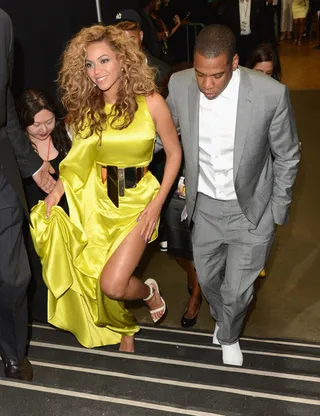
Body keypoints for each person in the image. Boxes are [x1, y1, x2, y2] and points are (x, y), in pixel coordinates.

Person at [30, 24, 182, 353]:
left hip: (138, 200)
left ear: (123, 60)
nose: (96, 72)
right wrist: (56, 193)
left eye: (104, 61)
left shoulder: (151, 101)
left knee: (114, 283)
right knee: (98, 279)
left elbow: (174, 153)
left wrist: (157, 205)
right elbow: (79, 160)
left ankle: (148, 292)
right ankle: (124, 325)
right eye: (89, 64)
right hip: (97, 202)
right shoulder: (88, 108)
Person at [161, 24, 300, 366]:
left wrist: (276, 211)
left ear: (235, 62)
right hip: (204, 207)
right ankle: (226, 316)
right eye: (200, 74)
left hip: (251, 211)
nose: (207, 85)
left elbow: (287, 155)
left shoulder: (270, 94)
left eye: (217, 75)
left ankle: (228, 334)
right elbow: (163, 134)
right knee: (208, 280)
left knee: (238, 290)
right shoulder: (179, 85)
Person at [0, 9, 56, 380]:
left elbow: (5, 108)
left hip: (1, 177)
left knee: (15, 277)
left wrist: (32, 165)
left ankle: (13, 352)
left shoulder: (2, 23)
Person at [18, 89, 72, 323]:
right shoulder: (18, 148)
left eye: (48, 121)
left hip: (66, 215)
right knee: (35, 267)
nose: (43, 129)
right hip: (30, 220)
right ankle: (41, 315)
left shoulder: (65, 135)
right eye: (35, 124)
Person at [114, 9, 172, 91]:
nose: (127, 46)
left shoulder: (163, 72)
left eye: (132, 40)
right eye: (121, 40)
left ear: (141, 36)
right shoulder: (107, 71)